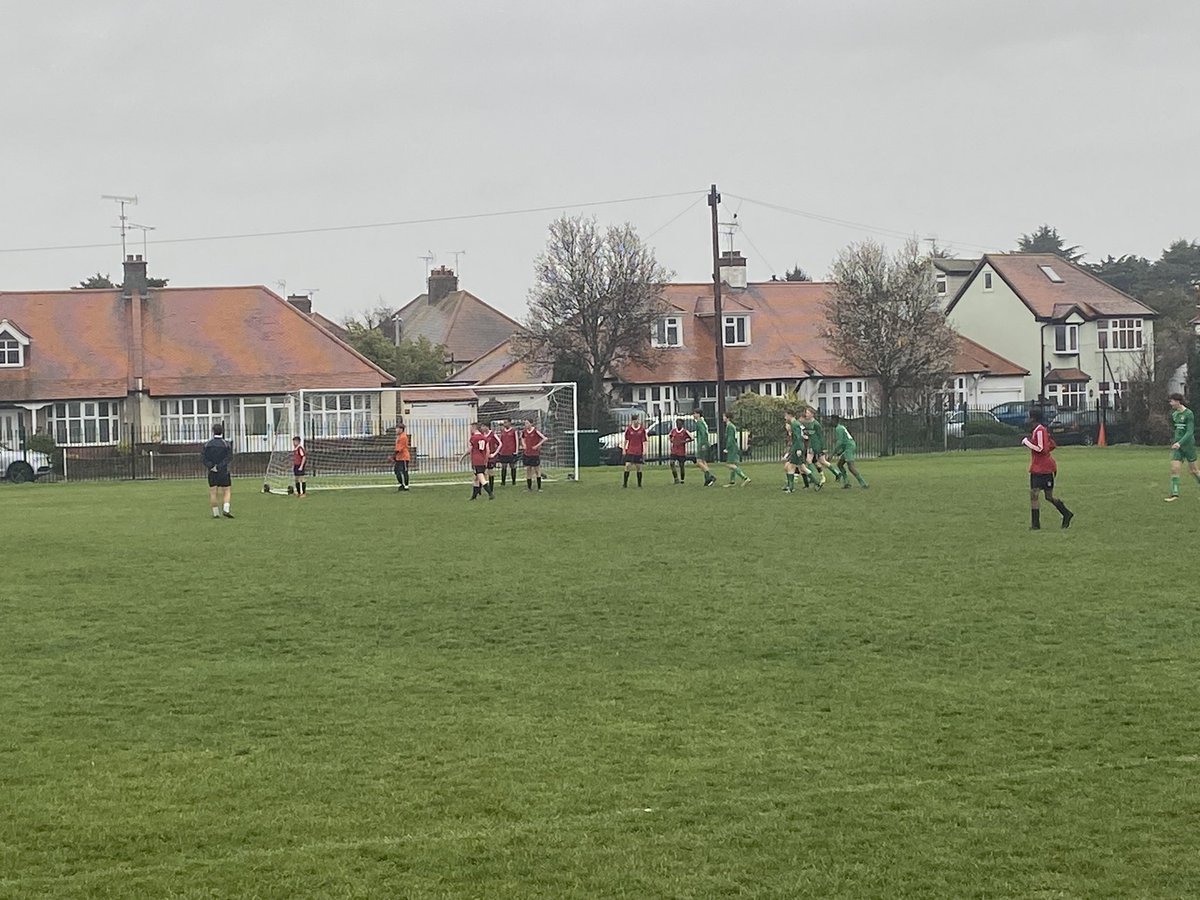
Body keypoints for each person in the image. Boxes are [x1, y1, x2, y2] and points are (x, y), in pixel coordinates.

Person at [1023, 407, 1072, 528]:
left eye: (1030, 417)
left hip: (1043, 469)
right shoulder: (1039, 430)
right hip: (1040, 468)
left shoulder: (1040, 431)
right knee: (1043, 496)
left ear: (1033, 418)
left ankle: (1038, 523)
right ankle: (1065, 514)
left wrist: (1026, 442)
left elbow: (1040, 448)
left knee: (1038, 495)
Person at [1165, 392, 1199, 502]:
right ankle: (1175, 494)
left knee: (1194, 471)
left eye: (1172, 401)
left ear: (1178, 401)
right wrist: (1175, 441)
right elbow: (1177, 430)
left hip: (1188, 446)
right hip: (1177, 447)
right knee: (1174, 469)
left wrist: (1180, 443)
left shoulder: (1189, 414)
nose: (1170, 403)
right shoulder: (1174, 414)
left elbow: (1189, 432)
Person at [201, 422, 234, 518]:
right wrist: (220, 466)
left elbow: (203, 458)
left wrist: (211, 466)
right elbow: (229, 458)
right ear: (222, 432)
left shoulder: (207, 444)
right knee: (227, 490)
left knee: (213, 492)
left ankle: (216, 513)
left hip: (212, 472)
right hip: (223, 471)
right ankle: (226, 509)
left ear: (213, 431)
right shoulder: (226, 444)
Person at [829, 415, 868, 489]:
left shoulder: (838, 429)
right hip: (849, 446)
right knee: (840, 464)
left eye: (831, 420)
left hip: (849, 447)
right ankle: (847, 483)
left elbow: (840, 442)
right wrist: (841, 451)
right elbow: (844, 440)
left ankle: (863, 483)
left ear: (835, 420)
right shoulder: (840, 427)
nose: (830, 422)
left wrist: (832, 454)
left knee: (851, 467)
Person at [801, 407, 835, 485]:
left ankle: (836, 473)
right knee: (808, 460)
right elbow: (809, 433)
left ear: (812, 414)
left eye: (808, 413)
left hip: (817, 445)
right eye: (806, 413)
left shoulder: (816, 424)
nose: (806, 414)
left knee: (823, 461)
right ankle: (813, 476)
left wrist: (824, 448)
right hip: (811, 444)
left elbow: (820, 436)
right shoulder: (808, 423)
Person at [463, 422, 493, 500]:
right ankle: (474, 496)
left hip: (476, 460)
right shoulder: (484, 438)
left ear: (474, 428)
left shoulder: (473, 438)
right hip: (482, 460)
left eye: (471, 428)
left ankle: (490, 494)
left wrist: (462, 457)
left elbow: (470, 449)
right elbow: (488, 451)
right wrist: (486, 460)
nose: (470, 430)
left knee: (481, 478)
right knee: (476, 478)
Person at [722, 412, 750, 487]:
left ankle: (745, 478)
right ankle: (732, 481)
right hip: (733, 446)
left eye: (724, 416)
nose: (723, 418)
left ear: (728, 418)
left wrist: (727, 448)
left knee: (729, 464)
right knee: (733, 464)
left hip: (732, 447)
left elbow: (730, 438)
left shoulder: (730, 426)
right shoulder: (730, 426)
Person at [689, 409, 717, 486]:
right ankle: (707, 480)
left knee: (698, 462)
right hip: (703, 443)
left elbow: (703, 433)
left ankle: (711, 476)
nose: (693, 415)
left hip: (702, 444)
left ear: (698, 414)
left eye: (694, 413)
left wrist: (703, 444)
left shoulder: (699, 423)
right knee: (703, 462)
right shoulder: (702, 422)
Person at [521, 418, 546, 492]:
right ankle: (529, 488)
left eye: (527, 423)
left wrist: (537, 445)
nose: (526, 425)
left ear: (531, 424)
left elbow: (544, 438)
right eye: (525, 423)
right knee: (528, 470)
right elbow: (522, 438)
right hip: (527, 453)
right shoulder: (524, 432)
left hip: (534, 454)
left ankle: (539, 488)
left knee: (537, 470)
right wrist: (524, 444)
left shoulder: (535, 431)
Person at [623, 413, 647, 488]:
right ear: (632, 421)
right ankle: (625, 483)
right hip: (630, 450)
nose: (636, 422)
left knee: (638, 467)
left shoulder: (642, 429)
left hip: (638, 450)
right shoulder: (629, 429)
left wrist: (645, 450)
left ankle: (639, 484)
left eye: (637, 420)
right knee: (627, 466)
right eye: (634, 420)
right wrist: (624, 449)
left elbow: (644, 440)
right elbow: (626, 440)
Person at [496, 418, 519, 486]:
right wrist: (499, 450)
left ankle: (513, 481)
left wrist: (516, 451)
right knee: (503, 466)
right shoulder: (502, 431)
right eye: (504, 422)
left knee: (513, 466)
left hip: (511, 452)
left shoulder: (514, 431)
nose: (504, 424)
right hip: (503, 452)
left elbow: (517, 441)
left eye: (506, 422)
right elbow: (500, 441)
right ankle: (503, 482)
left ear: (509, 423)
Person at [668, 418, 691, 484]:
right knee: (672, 463)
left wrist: (684, 441)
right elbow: (670, 436)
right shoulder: (673, 431)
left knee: (681, 465)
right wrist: (671, 440)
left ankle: (682, 479)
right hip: (674, 450)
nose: (678, 425)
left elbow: (691, 438)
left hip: (681, 451)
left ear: (682, 424)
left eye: (679, 424)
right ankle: (676, 478)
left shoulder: (685, 431)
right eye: (677, 423)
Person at [482, 422, 502, 495]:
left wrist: (494, 454)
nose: (482, 428)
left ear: (487, 427)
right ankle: (483, 488)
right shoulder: (482, 435)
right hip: (484, 457)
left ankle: (491, 489)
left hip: (490, 457)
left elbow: (500, 444)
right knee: (482, 472)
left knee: (490, 472)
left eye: (483, 426)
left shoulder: (493, 434)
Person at [392, 423, 411, 491]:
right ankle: (401, 484)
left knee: (404, 471)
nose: (396, 430)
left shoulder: (403, 437)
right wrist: (394, 457)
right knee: (397, 471)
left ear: (401, 429)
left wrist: (393, 456)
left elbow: (399, 449)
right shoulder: (399, 437)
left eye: (397, 428)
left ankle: (406, 486)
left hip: (404, 457)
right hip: (399, 457)